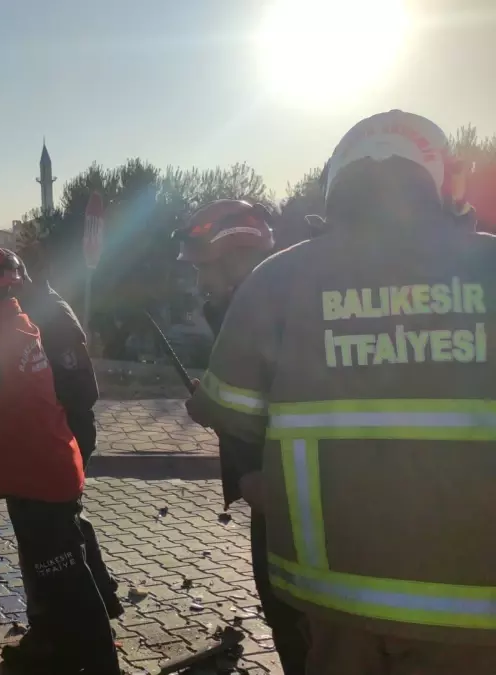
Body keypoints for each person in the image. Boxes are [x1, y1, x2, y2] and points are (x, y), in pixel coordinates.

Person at [187, 109, 496, 675]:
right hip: (477, 610)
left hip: (333, 594)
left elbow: (230, 411)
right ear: (444, 181)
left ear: (336, 184)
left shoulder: (281, 278)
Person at [0, 242, 120, 675]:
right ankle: (58, 646)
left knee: (66, 580)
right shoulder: (16, 321)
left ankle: (98, 663)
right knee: (56, 570)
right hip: (41, 471)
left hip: (40, 477)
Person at [173, 199, 308, 674]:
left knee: (295, 621)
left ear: (233, 256)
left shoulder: (261, 308)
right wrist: (215, 397)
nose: (198, 282)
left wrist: (249, 463)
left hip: (288, 496)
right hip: (278, 488)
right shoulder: (266, 300)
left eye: (201, 268)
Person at [11, 243, 124, 623]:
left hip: (64, 433)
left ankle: (72, 621)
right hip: (60, 432)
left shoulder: (49, 313)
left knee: (55, 530)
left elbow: (79, 389)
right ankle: (101, 601)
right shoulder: (36, 304)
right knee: (68, 520)